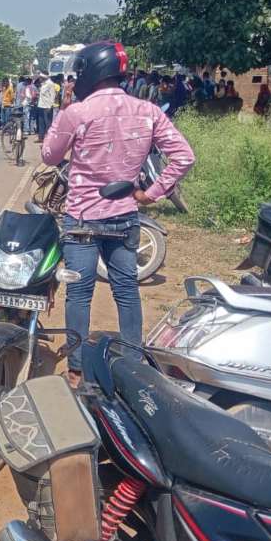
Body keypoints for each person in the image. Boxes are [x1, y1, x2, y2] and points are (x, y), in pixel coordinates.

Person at [42, 41, 194, 371]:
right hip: (125, 217)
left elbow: (50, 156)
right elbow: (184, 156)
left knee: (79, 296)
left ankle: (77, 368)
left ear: (91, 73)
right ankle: (133, 362)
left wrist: (63, 114)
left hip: (82, 218)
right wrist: (152, 192)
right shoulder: (148, 111)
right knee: (126, 291)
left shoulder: (77, 113)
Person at [35, 74, 58, 142]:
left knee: (48, 124)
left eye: (40, 78)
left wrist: (50, 106)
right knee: (41, 123)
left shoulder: (50, 84)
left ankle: (49, 139)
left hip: (47, 106)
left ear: (43, 77)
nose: (39, 79)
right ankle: (41, 137)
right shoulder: (43, 84)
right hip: (41, 106)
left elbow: (53, 95)